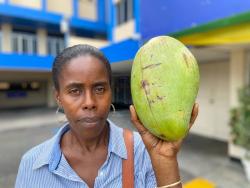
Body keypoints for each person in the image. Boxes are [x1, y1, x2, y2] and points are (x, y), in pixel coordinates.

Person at [15, 44, 198, 188]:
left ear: (111, 93)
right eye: (75, 90)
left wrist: (164, 160)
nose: (89, 102)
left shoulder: (143, 152)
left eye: (100, 88)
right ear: (59, 98)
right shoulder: (32, 165)